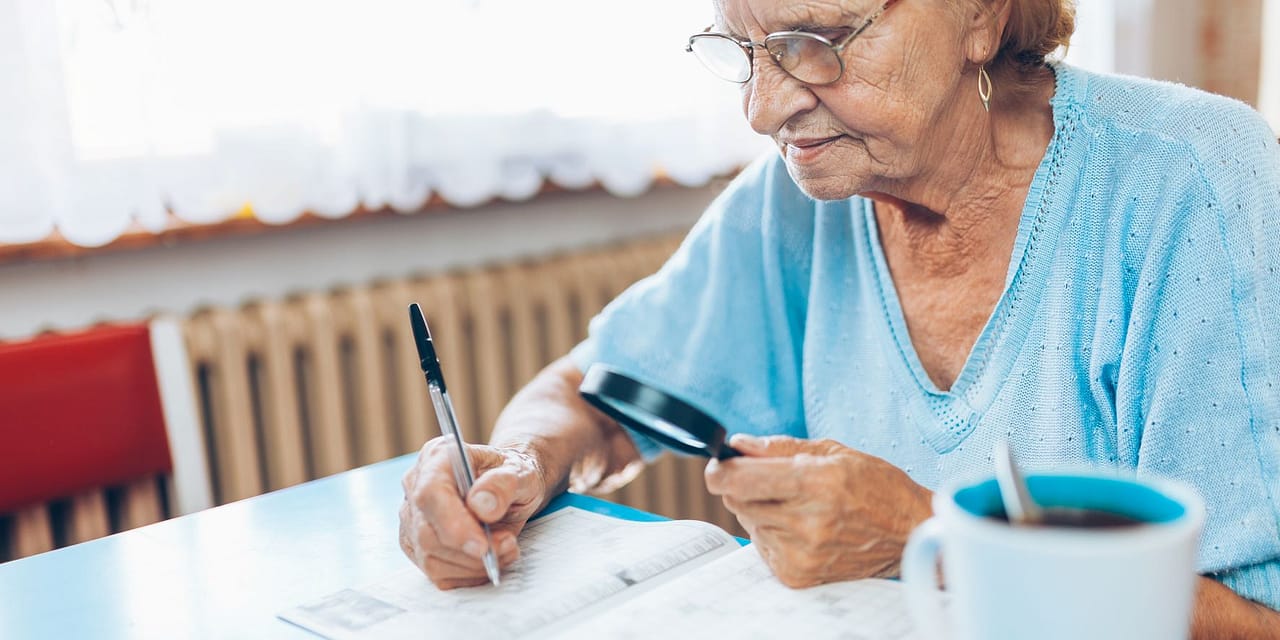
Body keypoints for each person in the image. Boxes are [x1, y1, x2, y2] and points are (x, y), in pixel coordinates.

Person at [400, 0, 1280, 634]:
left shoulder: (1193, 179)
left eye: (816, 42)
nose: (762, 110)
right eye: (745, 49)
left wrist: (923, 536)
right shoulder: (797, 199)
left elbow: (1256, 620)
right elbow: (594, 395)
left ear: (979, 16)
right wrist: (515, 468)